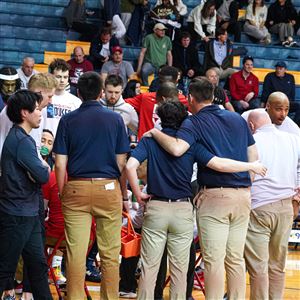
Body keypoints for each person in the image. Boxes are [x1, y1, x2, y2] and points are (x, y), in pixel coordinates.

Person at [127, 100, 266, 300]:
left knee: (149, 267)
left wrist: (138, 194)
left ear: (159, 119)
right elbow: (218, 163)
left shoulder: (149, 140)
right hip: (183, 209)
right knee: (181, 269)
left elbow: (130, 166)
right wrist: (250, 166)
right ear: (184, 119)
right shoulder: (192, 144)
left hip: (156, 207)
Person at [53, 71, 130, 299]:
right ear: (101, 93)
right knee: (109, 253)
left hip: (77, 186)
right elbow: (122, 161)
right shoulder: (115, 119)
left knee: (76, 252)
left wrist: (61, 190)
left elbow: (59, 163)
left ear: (78, 92)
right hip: (108, 187)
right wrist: (121, 190)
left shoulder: (67, 120)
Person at [0, 90, 51, 300]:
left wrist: (39, 170)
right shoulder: (21, 141)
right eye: (37, 109)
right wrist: (42, 168)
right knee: (5, 270)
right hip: (17, 214)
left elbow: (37, 174)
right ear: (24, 113)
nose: (40, 113)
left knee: (38, 267)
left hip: (27, 213)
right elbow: (43, 174)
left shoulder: (23, 139)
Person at [245, 109, 300, 300]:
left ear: (251, 126)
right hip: (286, 207)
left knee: (258, 266)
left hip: (259, 207)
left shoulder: (252, 141)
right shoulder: (293, 139)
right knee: (278, 264)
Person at [46, 59, 82, 136]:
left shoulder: (76, 102)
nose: (62, 80)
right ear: (51, 76)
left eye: (65, 77)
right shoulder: (43, 98)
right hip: (45, 143)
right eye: (58, 77)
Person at [261, 61, 300, 126]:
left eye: (281, 68)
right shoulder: (270, 76)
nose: (278, 70)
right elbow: (265, 91)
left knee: (298, 106)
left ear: (285, 70)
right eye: (277, 68)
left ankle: (295, 125)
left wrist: (289, 102)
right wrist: (263, 103)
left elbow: (292, 92)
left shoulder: (290, 77)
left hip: (286, 102)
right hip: (274, 102)